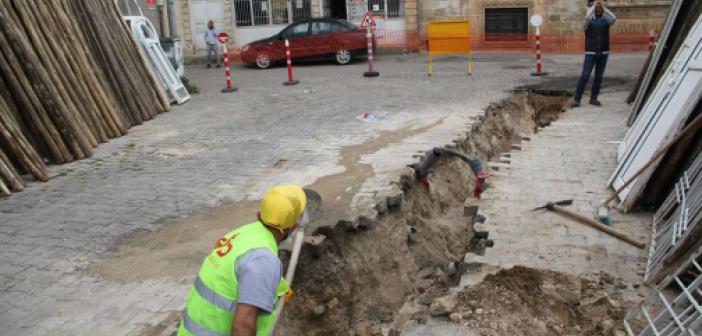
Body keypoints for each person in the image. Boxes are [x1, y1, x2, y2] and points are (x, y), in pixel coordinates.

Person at [177, 185, 307, 336]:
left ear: (259, 215)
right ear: (292, 228)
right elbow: (242, 327)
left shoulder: (240, 234)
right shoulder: (264, 260)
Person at [573, 0, 616, 107]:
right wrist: (594, 6)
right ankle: (577, 99)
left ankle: (594, 98)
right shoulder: (588, 23)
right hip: (590, 53)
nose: (598, 11)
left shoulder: (606, 22)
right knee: (585, 76)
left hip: (603, 52)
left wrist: (603, 7)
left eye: (599, 9)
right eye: (596, 9)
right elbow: (587, 17)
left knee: (598, 77)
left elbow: (614, 18)